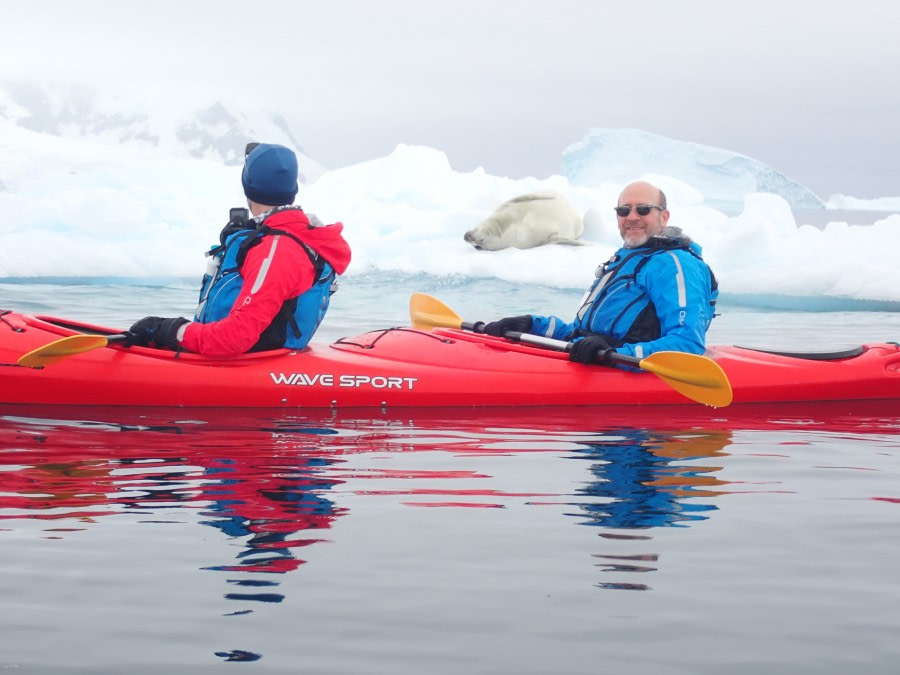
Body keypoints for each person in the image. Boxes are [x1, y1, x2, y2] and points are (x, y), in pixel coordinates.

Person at [129, 142, 351, 356]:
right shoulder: (285, 236)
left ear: (247, 185)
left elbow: (234, 338)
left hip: (248, 358)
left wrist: (172, 330)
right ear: (293, 188)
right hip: (249, 352)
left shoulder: (275, 250)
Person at [483, 180, 717, 366]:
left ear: (663, 217)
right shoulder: (626, 258)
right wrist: (534, 325)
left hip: (624, 367)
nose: (632, 216)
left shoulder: (676, 265)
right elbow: (580, 333)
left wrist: (611, 354)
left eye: (643, 209)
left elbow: (687, 343)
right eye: (624, 210)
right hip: (592, 358)